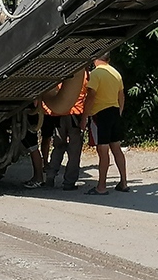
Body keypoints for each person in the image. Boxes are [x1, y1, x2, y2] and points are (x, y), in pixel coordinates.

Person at [82, 53, 129, 195]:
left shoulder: (96, 74)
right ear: (109, 59)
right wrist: (119, 112)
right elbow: (122, 96)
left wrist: (84, 117)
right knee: (116, 148)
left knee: (103, 151)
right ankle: (124, 182)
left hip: (100, 114)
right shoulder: (116, 73)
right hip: (114, 112)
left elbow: (91, 97)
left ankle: (101, 187)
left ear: (95, 59)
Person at [44, 73, 88, 190]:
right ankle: (69, 182)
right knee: (74, 151)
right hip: (75, 114)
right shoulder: (82, 74)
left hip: (59, 113)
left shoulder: (62, 71)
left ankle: (50, 177)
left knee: (58, 146)